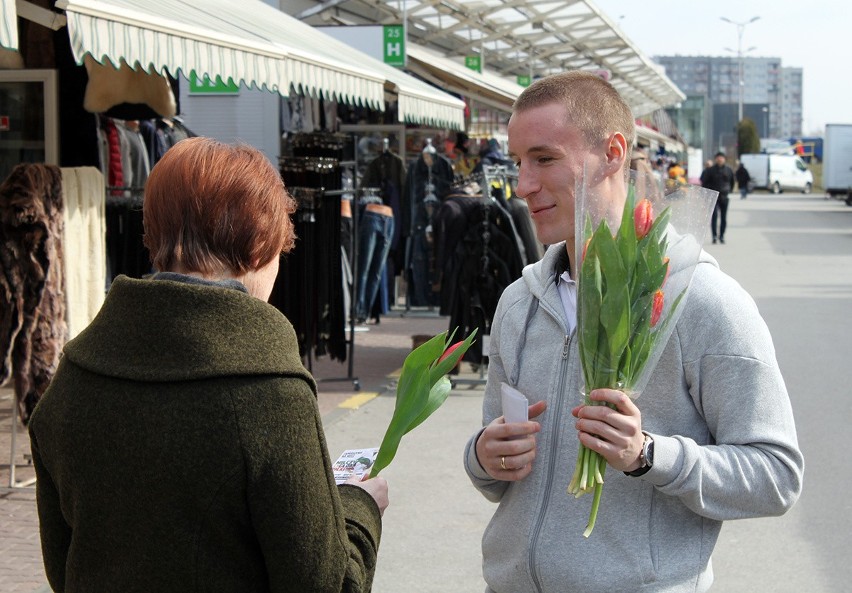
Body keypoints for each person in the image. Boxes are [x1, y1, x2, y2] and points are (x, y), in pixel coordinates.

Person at [463, 71, 802, 593]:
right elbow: (495, 465)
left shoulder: (703, 302)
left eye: (545, 158)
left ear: (613, 153)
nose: (523, 184)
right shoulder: (518, 302)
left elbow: (775, 475)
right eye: (518, 163)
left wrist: (650, 455)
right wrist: (483, 455)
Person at [28, 137, 389, 593]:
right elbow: (326, 584)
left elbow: (64, 569)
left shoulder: (73, 381)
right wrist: (359, 508)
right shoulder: (269, 394)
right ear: (261, 246)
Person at [701, 151, 735, 243]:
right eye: (718, 157)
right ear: (716, 159)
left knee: (724, 217)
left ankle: (722, 235)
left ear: (724, 159)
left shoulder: (728, 170)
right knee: (714, 216)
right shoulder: (710, 170)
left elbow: (732, 182)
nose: (720, 159)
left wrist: (729, 190)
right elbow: (704, 182)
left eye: (722, 157)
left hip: (724, 196)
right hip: (713, 196)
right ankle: (714, 236)